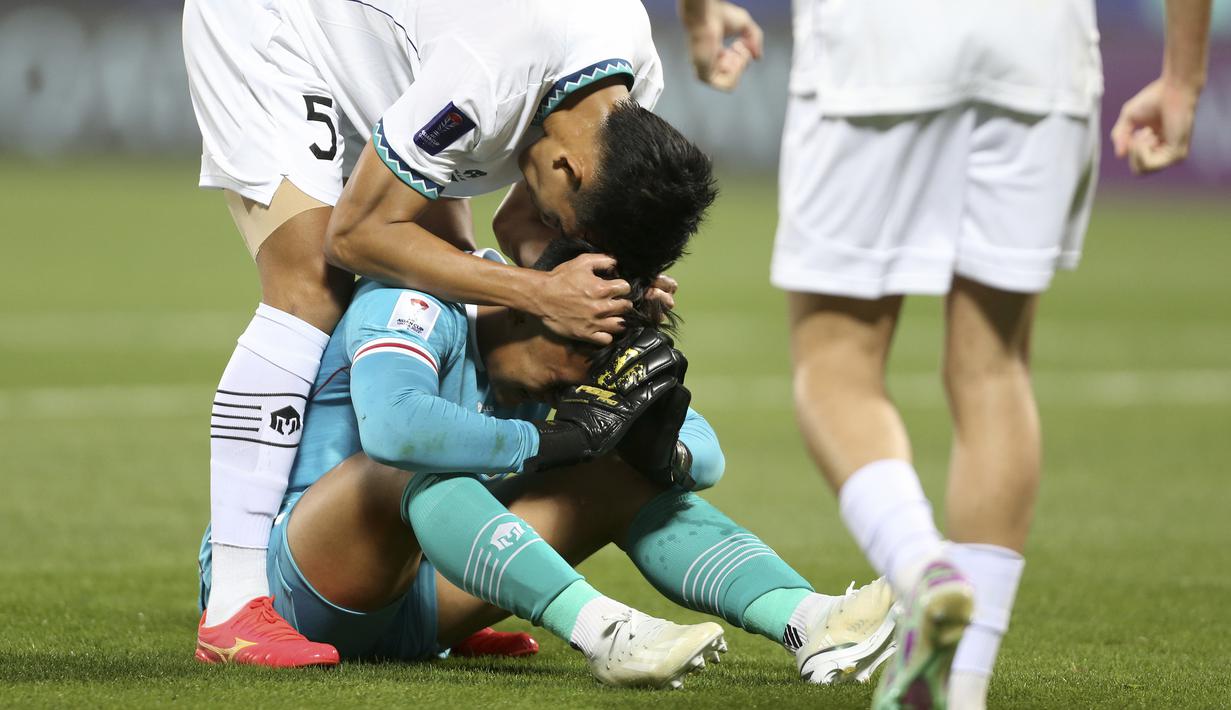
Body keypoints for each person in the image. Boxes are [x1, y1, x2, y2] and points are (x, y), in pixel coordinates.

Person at [679, 0, 1214, 707]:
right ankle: (960, 689)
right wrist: (1182, 78)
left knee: (834, 359)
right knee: (993, 365)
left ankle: (922, 568)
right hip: (1038, 50)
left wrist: (696, 14)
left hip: (877, 45)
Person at [182, 0, 716, 664]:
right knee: (310, 285)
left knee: (442, 258)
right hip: (281, 21)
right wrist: (543, 292)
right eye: (573, 228)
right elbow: (355, 235)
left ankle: (429, 561)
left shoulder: (624, 97)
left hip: (402, 46)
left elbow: (521, 229)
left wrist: (609, 297)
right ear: (569, 171)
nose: (564, 241)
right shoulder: (487, 75)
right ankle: (235, 602)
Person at [197, 241, 899, 687]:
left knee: (622, 470)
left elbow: (706, 454)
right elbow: (395, 427)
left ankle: (807, 620)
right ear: (536, 306)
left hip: (418, 607)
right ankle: (606, 633)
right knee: (404, 465)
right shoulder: (415, 300)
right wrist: (551, 442)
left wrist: (660, 453)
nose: (577, 384)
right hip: (299, 584)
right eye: (578, 357)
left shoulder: (570, 356)